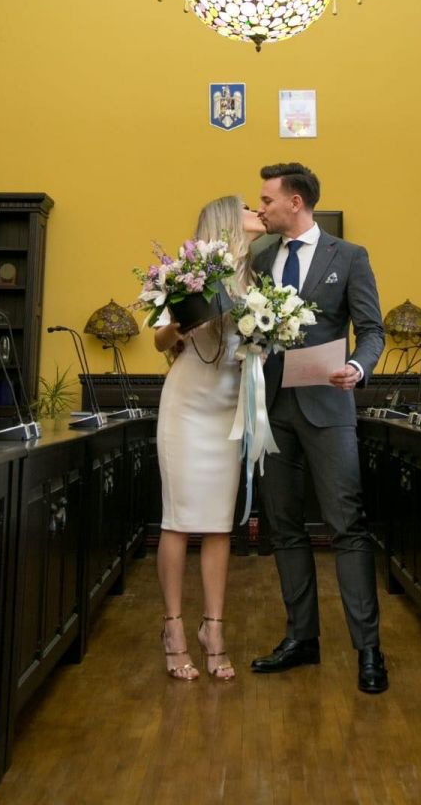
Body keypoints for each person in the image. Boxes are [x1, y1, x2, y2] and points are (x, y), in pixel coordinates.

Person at [250, 163, 389, 693]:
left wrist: (357, 367)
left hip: (329, 409)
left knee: (347, 526)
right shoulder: (261, 259)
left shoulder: (349, 256)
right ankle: (301, 639)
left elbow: (371, 330)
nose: (260, 207)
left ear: (296, 202)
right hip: (272, 411)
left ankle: (368, 650)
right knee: (284, 528)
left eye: (267, 199)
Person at [153, 196, 266, 680]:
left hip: (229, 407)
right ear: (226, 219)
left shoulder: (257, 278)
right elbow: (160, 339)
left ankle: (213, 630)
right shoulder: (188, 271)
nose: (258, 211)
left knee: (220, 524)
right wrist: (181, 322)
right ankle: (173, 628)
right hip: (186, 405)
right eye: (248, 207)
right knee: (178, 520)